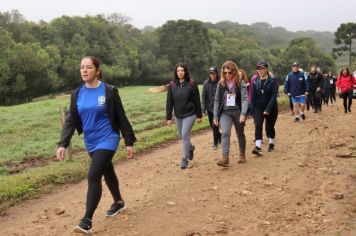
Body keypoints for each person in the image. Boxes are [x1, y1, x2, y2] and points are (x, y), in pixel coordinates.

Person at [56, 56, 136, 234]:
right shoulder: (77, 94)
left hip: (108, 138)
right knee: (107, 170)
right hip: (90, 141)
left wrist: (128, 141)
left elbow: (121, 116)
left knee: (93, 175)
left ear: (97, 70)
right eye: (82, 67)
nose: (84, 70)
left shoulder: (108, 91)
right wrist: (63, 143)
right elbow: (70, 120)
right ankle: (118, 202)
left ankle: (87, 221)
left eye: (89, 67)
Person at [166, 63, 202, 169]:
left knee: (185, 134)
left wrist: (199, 115)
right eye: (178, 71)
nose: (180, 72)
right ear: (176, 72)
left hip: (190, 114)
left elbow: (196, 100)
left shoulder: (191, 83)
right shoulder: (172, 85)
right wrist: (168, 117)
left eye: (182, 70)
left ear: (185, 72)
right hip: (178, 115)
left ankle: (185, 159)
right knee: (182, 136)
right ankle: (190, 148)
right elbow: (169, 102)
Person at [213, 60, 248, 167]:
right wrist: (215, 115)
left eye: (229, 72)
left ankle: (242, 154)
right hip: (225, 112)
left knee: (240, 134)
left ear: (234, 72)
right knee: (225, 133)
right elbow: (217, 100)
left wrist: (243, 114)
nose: (227, 75)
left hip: (238, 112)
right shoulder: (221, 83)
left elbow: (245, 99)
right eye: (225, 73)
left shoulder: (240, 82)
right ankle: (225, 158)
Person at [251, 61, 279, 155]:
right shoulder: (255, 81)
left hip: (271, 107)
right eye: (258, 68)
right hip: (259, 107)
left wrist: (268, 109)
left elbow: (273, 95)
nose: (260, 70)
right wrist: (253, 109)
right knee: (258, 125)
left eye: (262, 68)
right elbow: (253, 96)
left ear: (266, 69)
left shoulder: (273, 80)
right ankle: (258, 147)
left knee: (270, 126)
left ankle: (271, 144)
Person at [202, 66, 221, 150]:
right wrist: (203, 109)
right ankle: (219, 136)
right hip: (209, 108)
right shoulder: (206, 83)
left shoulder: (220, 83)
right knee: (212, 125)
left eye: (214, 73)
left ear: (217, 74)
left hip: (218, 108)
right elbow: (203, 96)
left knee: (215, 124)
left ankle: (215, 143)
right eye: (211, 73)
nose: (212, 75)